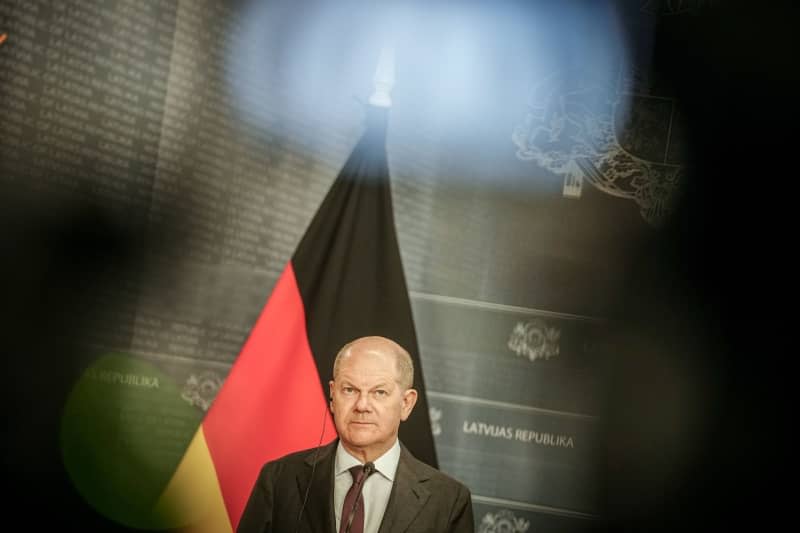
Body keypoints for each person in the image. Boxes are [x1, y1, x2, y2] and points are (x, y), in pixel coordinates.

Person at [237, 335, 474, 533]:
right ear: (333, 395)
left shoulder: (448, 500)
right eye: (349, 390)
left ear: (406, 403)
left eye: (379, 392)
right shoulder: (279, 479)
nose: (362, 405)